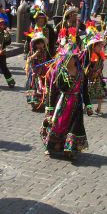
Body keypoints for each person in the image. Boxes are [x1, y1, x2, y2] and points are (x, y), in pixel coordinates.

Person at [41, 29, 91, 159]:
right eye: (65, 58)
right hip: (61, 104)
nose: (67, 61)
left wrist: (88, 105)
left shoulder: (81, 73)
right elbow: (53, 91)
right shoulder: (59, 73)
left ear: (75, 59)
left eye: (70, 58)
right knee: (57, 125)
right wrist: (50, 108)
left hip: (76, 105)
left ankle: (69, 149)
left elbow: (84, 90)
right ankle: (50, 146)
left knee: (74, 127)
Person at [82, 24, 107, 116]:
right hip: (88, 77)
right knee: (87, 92)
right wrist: (91, 72)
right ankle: (87, 106)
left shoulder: (101, 55)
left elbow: (101, 65)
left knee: (100, 93)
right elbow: (85, 67)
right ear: (93, 46)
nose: (101, 48)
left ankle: (99, 108)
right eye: (99, 46)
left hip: (98, 76)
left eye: (101, 46)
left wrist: (99, 71)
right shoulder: (87, 55)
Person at [24, 29, 51, 112]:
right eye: (38, 44)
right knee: (33, 87)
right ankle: (33, 103)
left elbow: (46, 60)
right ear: (35, 45)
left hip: (42, 72)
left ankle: (42, 103)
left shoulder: (45, 52)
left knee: (43, 87)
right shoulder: (32, 52)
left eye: (41, 43)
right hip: (34, 73)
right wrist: (35, 54)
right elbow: (29, 60)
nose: (40, 45)